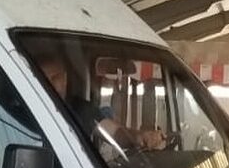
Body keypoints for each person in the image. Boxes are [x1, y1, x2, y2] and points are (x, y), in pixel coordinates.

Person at [35, 55, 166, 151]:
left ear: (65, 79)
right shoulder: (23, 109)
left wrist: (140, 137)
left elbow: (114, 132)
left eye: (55, 78)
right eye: (43, 79)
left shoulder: (80, 109)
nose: (49, 85)